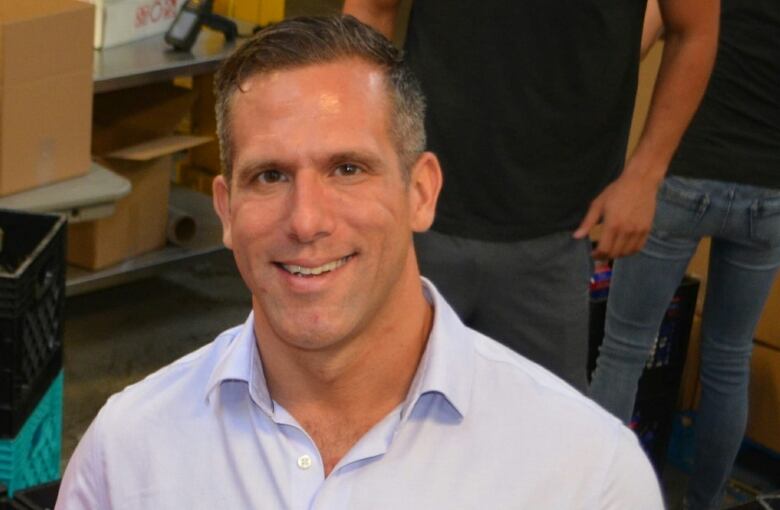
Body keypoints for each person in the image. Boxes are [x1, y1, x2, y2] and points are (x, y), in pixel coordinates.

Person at [55, 16, 663, 509]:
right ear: (226, 209)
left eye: (348, 169)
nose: (307, 220)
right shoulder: (127, 453)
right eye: (269, 176)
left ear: (421, 192)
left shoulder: (587, 475)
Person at [343, 0, 719, 391]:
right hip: (418, 213)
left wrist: (645, 175)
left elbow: (695, 31)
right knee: (382, 421)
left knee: (545, 442)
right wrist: (361, 152)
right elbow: (372, 9)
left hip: (555, 237)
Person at [589, 1, 780, 508]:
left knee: (624, 351)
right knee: (729, 359)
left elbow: (634, 44)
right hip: (771, 194)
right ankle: (706, 502)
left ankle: (596, 497)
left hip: (684, 176)